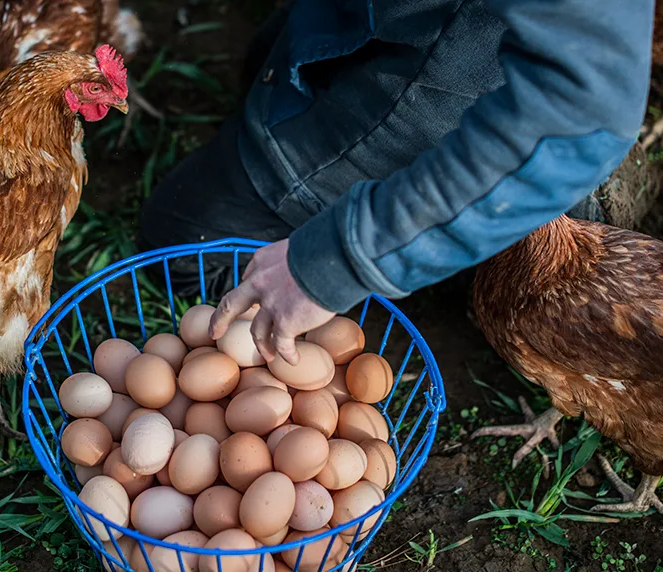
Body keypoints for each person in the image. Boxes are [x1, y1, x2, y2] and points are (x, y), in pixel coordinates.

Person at [139, 0, 653, 364]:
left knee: (186, 246)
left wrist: (340, 259)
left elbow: (582, 105)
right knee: (268, 56)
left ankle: (509, 203)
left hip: (460, 62)